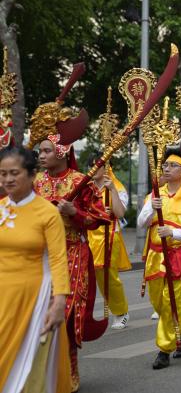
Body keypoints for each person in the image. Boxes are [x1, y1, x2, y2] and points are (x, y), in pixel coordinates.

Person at [35, 134, 109, 389]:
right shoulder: (35, 183)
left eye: (46, 151)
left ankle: (70, 368)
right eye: (40, 151)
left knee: (66, 315)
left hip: (73, 253)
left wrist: (73, 212)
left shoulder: (80, 182)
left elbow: (99, 218)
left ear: (62, 153)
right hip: (40, 256)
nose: (41, 155)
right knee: (38, 315)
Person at [0, 146, 72, 393]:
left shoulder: (47, 213)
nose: (7, 179)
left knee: (25, 366)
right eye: (3, 174)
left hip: (32, 298)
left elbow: (58, 260)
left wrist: (59, 302)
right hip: (2, 295)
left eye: (14, 173)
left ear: (32, 175)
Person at [137, 149, 181, 369]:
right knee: (158, 302)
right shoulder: (155, 194)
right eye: (164, 164)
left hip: (178, 254)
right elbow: (140, 222)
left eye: (172, 165)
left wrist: (174, 233)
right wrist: (151, 211)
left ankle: (164, 349)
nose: (166, 168)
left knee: (169, 302)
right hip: (155, 255)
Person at [86, 158, 131, 330]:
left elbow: (120, 214)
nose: (93, 168)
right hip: (88, 234)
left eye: (97, 166)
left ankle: (121, 311)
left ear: (106, 168)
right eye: (91, 165)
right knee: (85, 276)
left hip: (108, 235)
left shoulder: (116, 187)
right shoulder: (86, 187)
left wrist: (111, 191)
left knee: (107, 276)